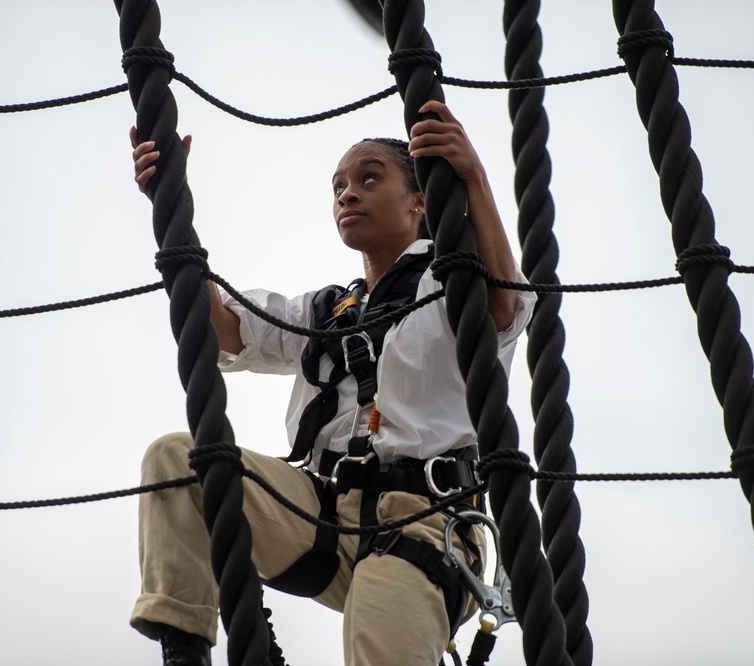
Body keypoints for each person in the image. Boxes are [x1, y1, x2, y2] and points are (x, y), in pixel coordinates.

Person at [127, 100, 536, 666]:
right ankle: (186, 649)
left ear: (420, 203)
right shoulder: (327, 312)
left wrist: (473, 179)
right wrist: (170, 207)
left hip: (423, 524)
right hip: (322, 516)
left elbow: (501, 308)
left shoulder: (455, 282)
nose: (347, 194)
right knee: (177, 459)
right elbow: (222, 329)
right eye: (339, 185)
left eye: (369, 178)